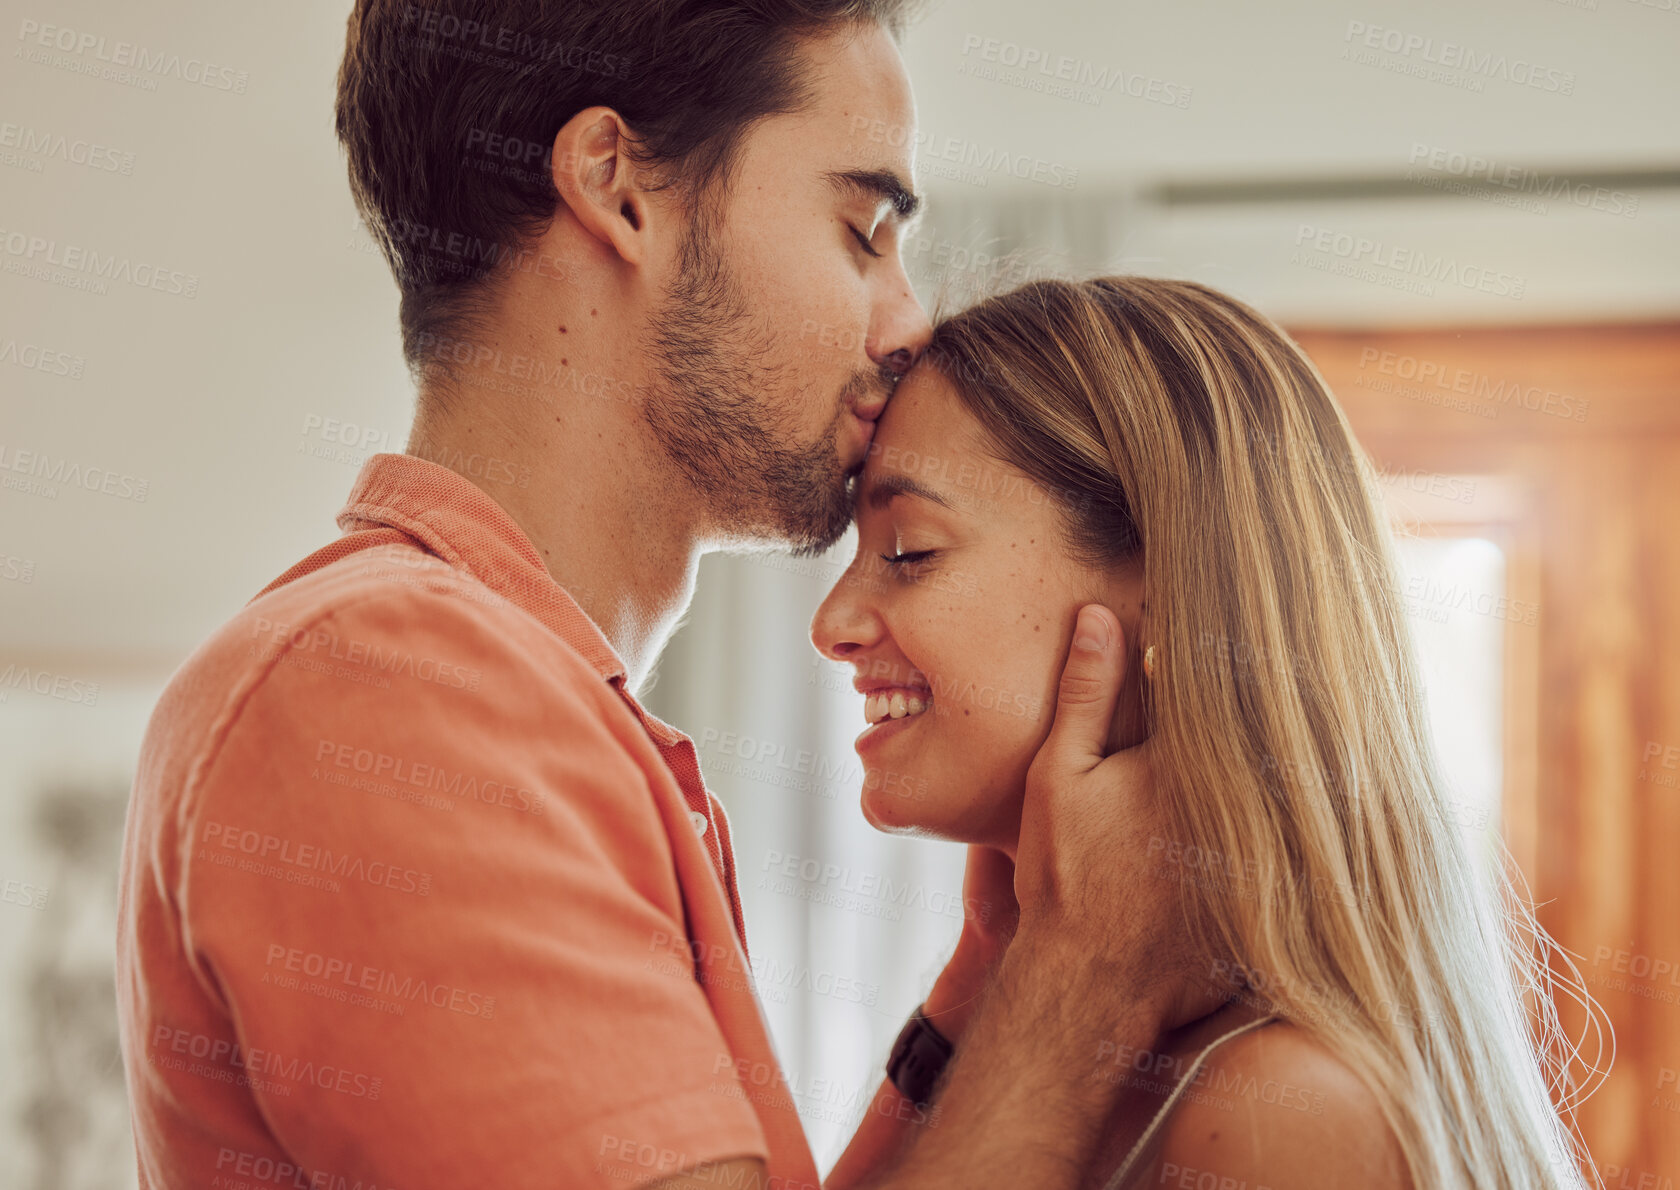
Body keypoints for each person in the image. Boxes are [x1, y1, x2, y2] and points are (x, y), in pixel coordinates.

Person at [114, 5, 1219, 1189]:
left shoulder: (538, 709)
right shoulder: (393, 682)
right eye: (862, 228)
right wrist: (1082, 980)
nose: (907, 322)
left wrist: (993, 983)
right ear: (617, 185)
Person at [813, 275, 1600, 1190]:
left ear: (1167, 593)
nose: (833, 621)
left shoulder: (1279, 1116)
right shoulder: (1081, 1059)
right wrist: (990, 978)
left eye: (910, 551)